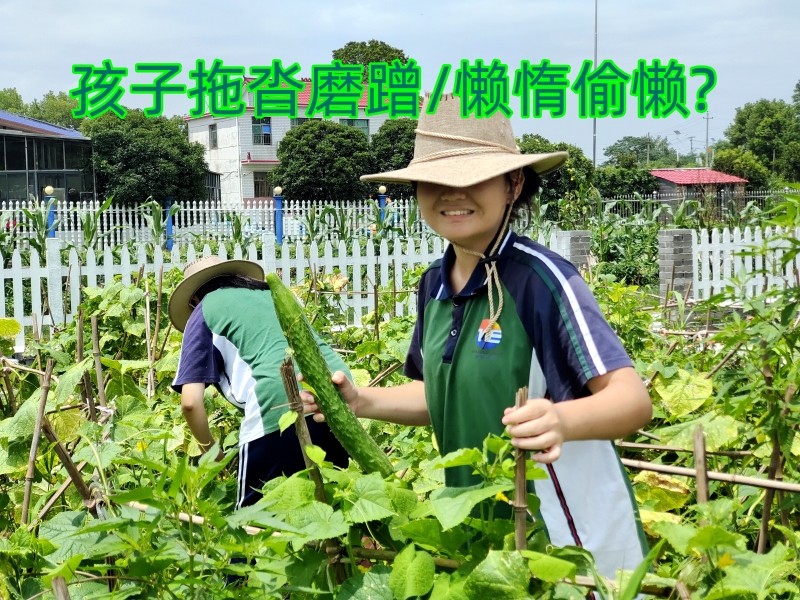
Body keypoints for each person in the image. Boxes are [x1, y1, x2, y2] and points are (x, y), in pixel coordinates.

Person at [301, 94, 653, 579]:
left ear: (513, 184)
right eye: (435, 181)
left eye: (473, 177)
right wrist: (360, 400)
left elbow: (632, 402)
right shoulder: (435, 285)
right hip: (480, 534)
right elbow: (438, 397)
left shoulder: (543, 281)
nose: (452, 193)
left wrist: (560, 419)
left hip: (566, 540)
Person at [169, 256, 351, 509]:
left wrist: (211, 454)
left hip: (278, 400)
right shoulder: (270, 294)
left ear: (193, 299)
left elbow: (190, 403)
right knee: (339, 506)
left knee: (255, 523)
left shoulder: (204, 309)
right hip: (339, 388)